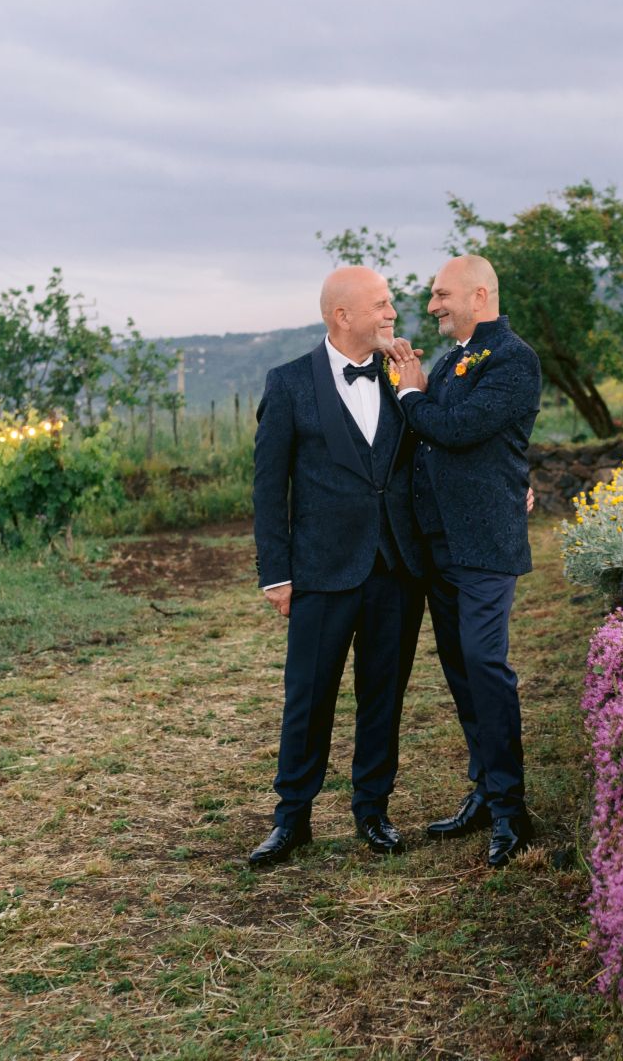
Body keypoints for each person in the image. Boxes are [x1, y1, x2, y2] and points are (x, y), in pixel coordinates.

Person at [247, 266, 427, 869]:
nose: (392, 314)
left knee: (384, 696)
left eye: (391, 303)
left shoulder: (404, 376)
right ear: (341, 315)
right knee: (309, 697)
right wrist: (276, 573)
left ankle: (372, 811)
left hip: (395, 566)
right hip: (320, 571)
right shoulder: (289, 382)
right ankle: (291, 818)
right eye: (380, 304)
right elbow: (270, 488)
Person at [385, 254, 542, 868]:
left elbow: (454, 429)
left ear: (479, 295)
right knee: (458, 668)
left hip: (483, 542)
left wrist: (410, 395)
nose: (431, 306)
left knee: (484, 662)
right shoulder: (453, 357)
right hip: (438, 542)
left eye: (441, 295)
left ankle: (512, 809)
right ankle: (484, 790)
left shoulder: (512, 359)